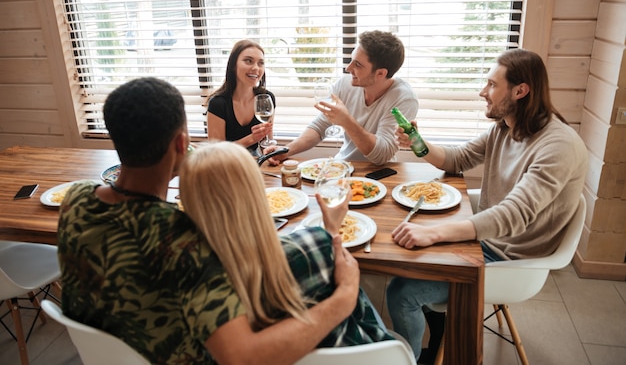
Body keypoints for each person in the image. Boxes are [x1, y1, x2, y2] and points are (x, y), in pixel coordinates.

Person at [57, 77, 362, 365]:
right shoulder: (183, 241)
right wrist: (344, 298)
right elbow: (242, 358)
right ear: (181, 143)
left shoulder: (76, 199)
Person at [386, 48, 588, 364]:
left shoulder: (558, 146)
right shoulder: (505, 127)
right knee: (403, 259)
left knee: (402, 291)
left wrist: (437, 234)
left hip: (511, 260)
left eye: (492, 85)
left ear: (520, 91)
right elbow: (459, 158)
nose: (483, 92)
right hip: (485, 240)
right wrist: (417, 141)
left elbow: (515, 214)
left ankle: (407, 359)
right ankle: (433, 336)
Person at [179, 140, 395, 346]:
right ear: (257, 195)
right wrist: (330, 234)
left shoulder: (193, 277)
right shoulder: (308, 246)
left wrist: (328, 233)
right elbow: (372, 332)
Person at [266, 30, 418, 165]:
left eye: (358, 65)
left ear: (380, 73)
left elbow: (382, 154)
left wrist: (346, 121)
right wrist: (286, 150)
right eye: (351, 60)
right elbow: (320, 126)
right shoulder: (347, 83)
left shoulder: (404, 99)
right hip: (343, 167)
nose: (348, 68)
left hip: (379, 174)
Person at [207, 39, 275, 157]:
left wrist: (270, 154)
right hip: (227, 165)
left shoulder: (266, 99)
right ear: (233, 65)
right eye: (248, 61)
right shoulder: (218, 104)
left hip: (255, 162)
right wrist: (252, 139)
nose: (256, 68)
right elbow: (215, 154)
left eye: (260, 63)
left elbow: (267, 142)